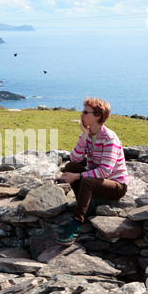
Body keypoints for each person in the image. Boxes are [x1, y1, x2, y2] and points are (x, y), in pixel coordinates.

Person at [57, 96, 129, 246]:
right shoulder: (88, 135)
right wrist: (83, 136)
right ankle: (87, 207)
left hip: (116, 185)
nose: (81, 115)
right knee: (70, 166)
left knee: (85, 179)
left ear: (97, 116)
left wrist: (77, 176)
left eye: (85, 112)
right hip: (96, 181)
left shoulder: (109, 138)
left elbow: (104, 172)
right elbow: (74, 158)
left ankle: (76, 224)